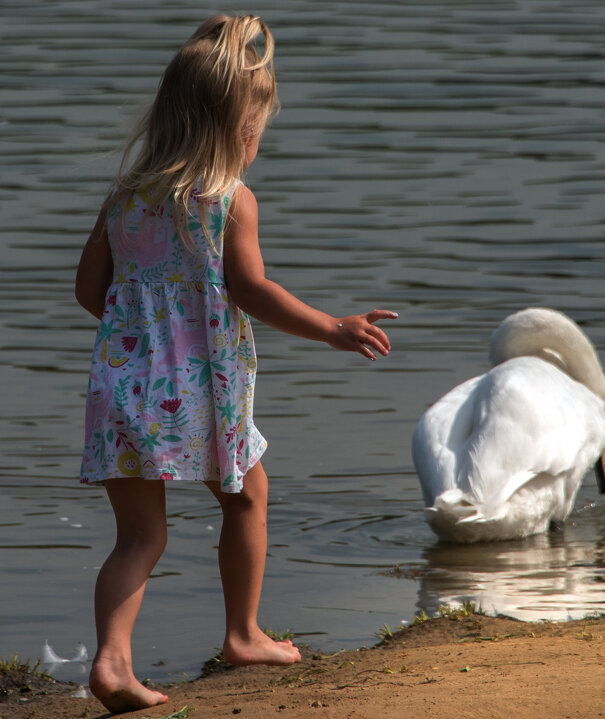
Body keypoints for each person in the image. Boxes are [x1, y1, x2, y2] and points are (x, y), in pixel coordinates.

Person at [73, 15, 396, 713]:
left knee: (138, 535)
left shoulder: (125, 197)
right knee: (248, 496)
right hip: (203, 391)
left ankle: (112, 660)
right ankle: (243, 633)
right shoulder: (228, 202)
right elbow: (251, 290)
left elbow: (86, 291)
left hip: (121, 386)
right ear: (235, 132)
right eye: (256, 131)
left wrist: (143, 340)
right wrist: (334, 328)